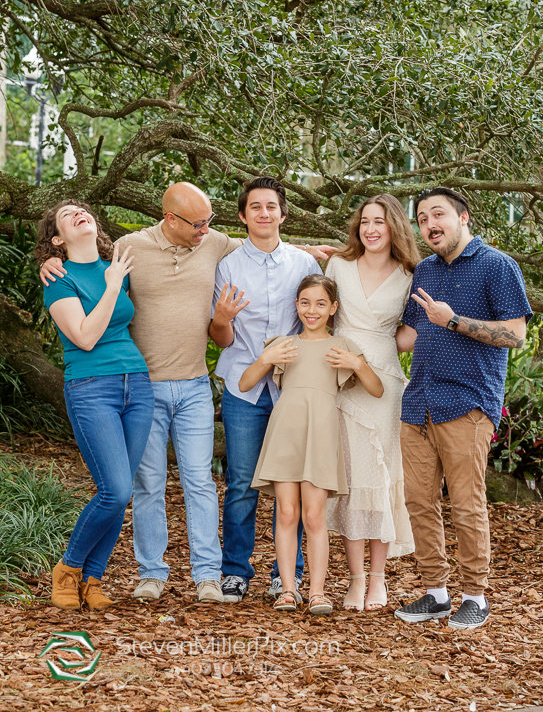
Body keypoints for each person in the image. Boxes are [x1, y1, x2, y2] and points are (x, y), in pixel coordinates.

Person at [40, 182, 332, 603]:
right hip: (144, 387)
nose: (207, 229)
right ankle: (152, 574)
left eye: (210, 221)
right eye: (198, 223)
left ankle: (208, 576)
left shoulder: (213, 242)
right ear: (171, 219)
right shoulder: (128, 248)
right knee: (147, 485)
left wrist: (333, 250)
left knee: (199, 482)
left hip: (195, 385)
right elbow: (83, 267)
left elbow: (264, 240)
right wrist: (50, 262)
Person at [395, 186, 532, 630]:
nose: (429, 224)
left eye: (438, 215)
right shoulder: (425, 272)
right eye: (421, 218)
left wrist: (452, 320)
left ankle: (475, 595)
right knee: (418, 501)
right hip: (419, 403)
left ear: (463, 217)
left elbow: (515, 335)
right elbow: (409, 337)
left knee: (467, 505)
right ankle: (435, 593)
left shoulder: (497, 266)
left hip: (467, 403)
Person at [209, 176, 326, 603]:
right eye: (255, 207)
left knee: (288, 483)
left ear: (282, 213)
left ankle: (286, 573)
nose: (263, 213)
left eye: (271, 206)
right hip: (244, 386)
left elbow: (318, 320)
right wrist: (222, 317)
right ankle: (235, 571)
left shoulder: (303, 263)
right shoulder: (227, 266)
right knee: (241, 481)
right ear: (242, 216)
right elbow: (220, 337)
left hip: (291, 387)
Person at [37, 200, 155, 610]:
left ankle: (93, 579)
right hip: (90, 387)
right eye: (67, 215)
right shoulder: (58, 278)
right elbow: (85, 336)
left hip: (137, 386)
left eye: (83, 209)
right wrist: (110, 284)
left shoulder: (116, 265)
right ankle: (67, 569)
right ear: (57, 239)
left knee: (120, 494)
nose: (79, 213)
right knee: (115, 489)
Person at [242, 275, 383, 614]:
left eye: (321, 303)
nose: (312, 310)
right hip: (286, 432)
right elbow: (245, 383)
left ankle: (317, 592)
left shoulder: (342, 347)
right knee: (287, 512)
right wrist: (266, 358)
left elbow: (377, 390)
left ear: (333, 308)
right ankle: (288, 590)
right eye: (305, 302)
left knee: (315, 515)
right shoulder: (283, 344)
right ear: (296, 305)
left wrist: (358, 364)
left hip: (320, 434)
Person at [325, 194, 419, 611]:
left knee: (379, 479)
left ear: (394, 226)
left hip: (384, 383)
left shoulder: (411, 274)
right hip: (338, 379)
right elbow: (319, 316)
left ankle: (378, 580)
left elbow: (416, 332)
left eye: (379, 221)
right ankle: (355, 579)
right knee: (349, 478)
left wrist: (380, 350)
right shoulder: (338, 266)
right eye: (365, 221)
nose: (371, 229)